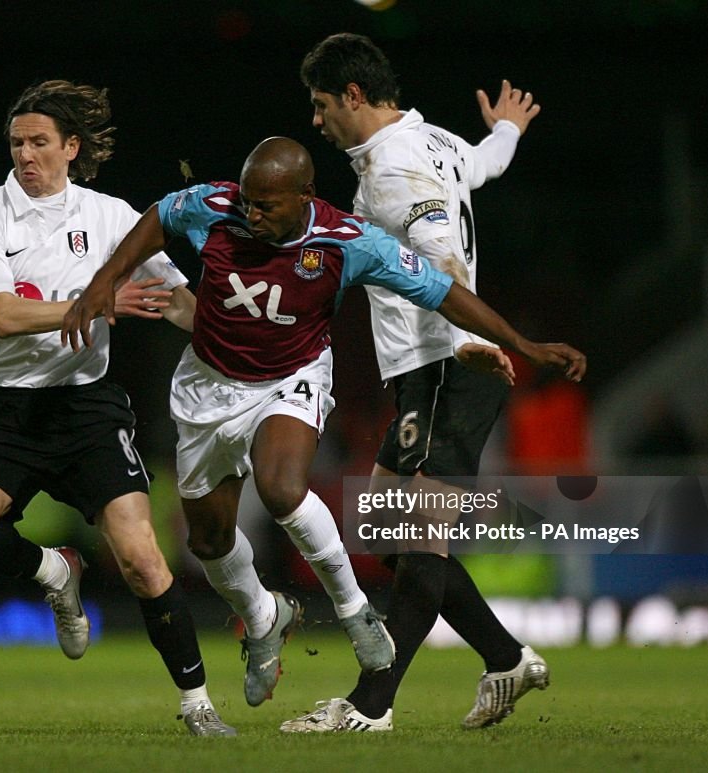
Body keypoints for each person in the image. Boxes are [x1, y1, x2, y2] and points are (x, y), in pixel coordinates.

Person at [61, 136, 585, 710]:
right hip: (208, 385)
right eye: (249, 200)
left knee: (282, 487)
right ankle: (264, 619)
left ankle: (356, 613)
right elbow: (159, 218)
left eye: (267, 205)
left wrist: (518, 341)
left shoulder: (347, 243)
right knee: (209, 541)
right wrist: (103, 281)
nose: (252, 213)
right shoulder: (213, 206)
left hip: (292, 377)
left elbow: (442, 292)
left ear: (305, 195)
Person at [0, 79, 234, 737]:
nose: (26, 155)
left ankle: (198, 704)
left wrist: (245, 338)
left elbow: (177, 302)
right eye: (17, 143)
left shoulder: (111, 217)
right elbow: (3, 315)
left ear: (72, 147)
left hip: (87, 409)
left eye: (40, 142)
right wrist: (95, 303)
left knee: (141, 556)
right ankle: (54, 567)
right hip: (6, 409)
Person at [282, 32, 560, 733]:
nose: (316, 122)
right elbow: (482, 166)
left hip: (447, 368)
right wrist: (505, 129)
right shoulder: (428, 139)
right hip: (425, 374)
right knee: (383, 529)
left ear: (352, 95)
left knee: (418, 536)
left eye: (320, 105)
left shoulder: (393, 168)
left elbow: (440, 259)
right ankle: (506, 658)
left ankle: (370, 705)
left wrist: (469, 342)